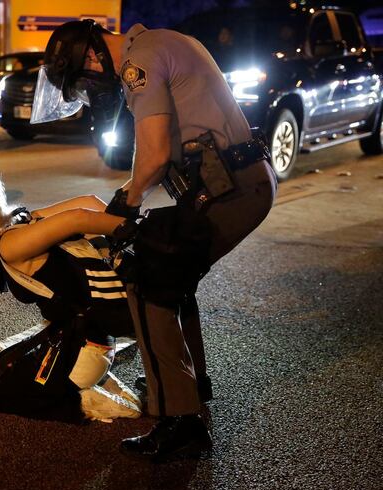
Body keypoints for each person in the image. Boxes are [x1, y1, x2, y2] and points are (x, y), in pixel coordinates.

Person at [32, 20, 276, 460]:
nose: (92, 87)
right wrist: (132, 194)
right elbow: (164, 152)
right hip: (234, 181)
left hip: (231, 188)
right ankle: (189, 384)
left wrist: (124, 201)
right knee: (173, 272)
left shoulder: (138, 60)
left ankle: (178, 417)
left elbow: (156, 154)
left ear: (92, 55)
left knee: (148, 278)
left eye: (84, 80)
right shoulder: (161, 42)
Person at [0, 153, 141, 423]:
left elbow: (78, 218)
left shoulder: (9, 244)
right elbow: (89, 202)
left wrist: (136, 233)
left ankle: (83, 400)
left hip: (86, 344)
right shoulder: (20, 219)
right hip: (89, 334)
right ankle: (93, 380)